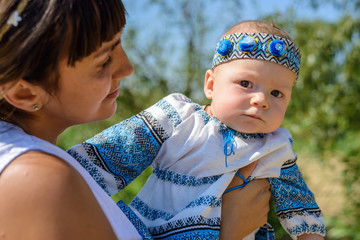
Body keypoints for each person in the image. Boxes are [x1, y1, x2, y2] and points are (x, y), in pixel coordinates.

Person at [0, 1, 271, 239]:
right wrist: (229, 232)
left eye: (119, 44)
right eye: (104, 60)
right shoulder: (37, 181)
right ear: (24, 92)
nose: (127, 67)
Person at [69, 20, 326, 240]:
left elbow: (299, 202)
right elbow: (113, 154)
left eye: (277, 93)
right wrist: (63, 175)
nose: (261, 100)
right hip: (152, 232)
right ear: (211, 85)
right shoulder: (180, 118)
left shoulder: (275, 147)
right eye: (246, 83)